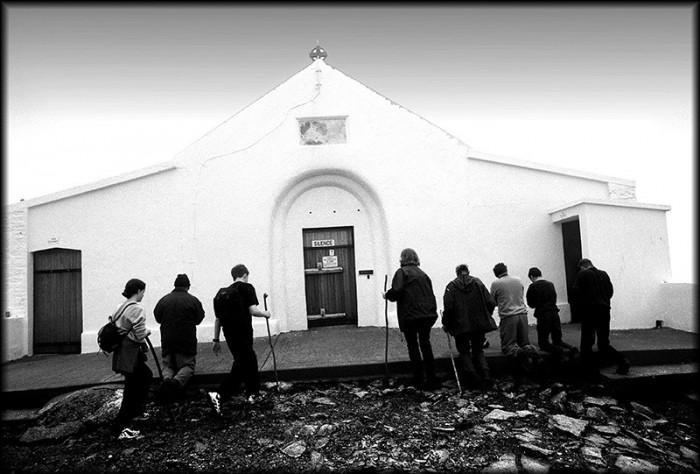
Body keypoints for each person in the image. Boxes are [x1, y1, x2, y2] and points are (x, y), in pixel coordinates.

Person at [207, 264, 271, 415]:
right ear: (245, 275)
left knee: (249, 359)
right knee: (243, 364)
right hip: (243, 332)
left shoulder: (221, 294)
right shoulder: (247, 288)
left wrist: (216, 340)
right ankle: (219, 395)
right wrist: (266, 314)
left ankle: (252, 393)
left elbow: (218, 320)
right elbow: (253, 311)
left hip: (230, 335)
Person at [383, 248, 439, 390]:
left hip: (411, 314)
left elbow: (397, 291)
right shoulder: (423, 274)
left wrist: (386, 295)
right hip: (427, 314)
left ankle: (419, 377)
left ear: (403, 258)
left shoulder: (402, 272)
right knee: (425, 343)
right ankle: (432, 377)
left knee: (413, 345)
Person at [442, 264, 498, 389]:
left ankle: (473, 377)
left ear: (457, 273)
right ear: (468, 272)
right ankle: (486, 374)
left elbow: (449, 308)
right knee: (478, 350)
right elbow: (490, 302)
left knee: (464, 351)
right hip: (479, 324)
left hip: (460, 326)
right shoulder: (478, 283)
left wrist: (446, 324)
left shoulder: (451, 287)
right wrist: (486, 315)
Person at [110, 278, 153, 440]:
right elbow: (141, 334)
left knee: (145, 376)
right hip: (130, 353)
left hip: (122, 352)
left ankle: (136, 411)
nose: (143, 296)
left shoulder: (119, 307)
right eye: (143, 292)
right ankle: (120, 427)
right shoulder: (136, 309)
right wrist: (148, 331)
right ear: (139, 291)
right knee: (131, 388)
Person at [573, 258, 631, 377]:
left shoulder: (583, 273)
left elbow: (575, 291)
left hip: (589, 311)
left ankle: (591, 371)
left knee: (587, 342)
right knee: (603, 343)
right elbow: (610, 291)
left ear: (583, 266)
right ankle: (622, 361)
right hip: (604, 310)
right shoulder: (604, 274)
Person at [153, 273, 205, 403]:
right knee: (187, 366)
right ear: (188, 286)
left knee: (168, 365)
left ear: (174, 285)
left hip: (167, 340)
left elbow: (157, 317)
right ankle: (175, 384)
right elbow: (199, 319)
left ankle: (166, 381)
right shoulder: (193, 300)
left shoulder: (164, 300)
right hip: (186, 341)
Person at [490, 263, 541, 386]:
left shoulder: (496, 284)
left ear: (496, 273)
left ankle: (519, 364)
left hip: (508, 317)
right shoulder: (518, 280)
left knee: (509, 346)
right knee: (525, 343)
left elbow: (492, 301)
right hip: (522, 315)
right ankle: (536, 359)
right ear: (506, 270)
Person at [526, 267, 577, 365]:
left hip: (543, 315)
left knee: (543, 343)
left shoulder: (533, 287)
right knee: (558, 340)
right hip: (554, 314)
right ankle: (571, 348)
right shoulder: (550, 284)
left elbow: (531, 304)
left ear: (531, 277)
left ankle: (563, 352)